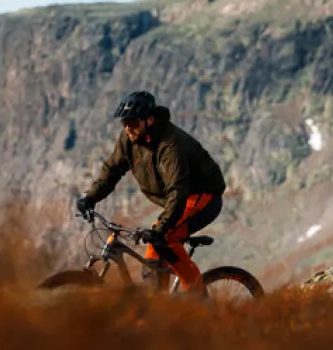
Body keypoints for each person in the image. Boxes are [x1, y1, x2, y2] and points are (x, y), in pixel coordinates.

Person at [75, 91, 226, 294]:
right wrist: (91, 197)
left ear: (149, 120)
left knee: (167, 237)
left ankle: (200, 301)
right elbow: (112, 170)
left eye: (133, 122)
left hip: (202, 196)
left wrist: (161, 228)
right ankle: (158, 306)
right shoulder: (129, 140)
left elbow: (178, 191)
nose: (128, 128)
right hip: (177, 199)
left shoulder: (170, 146)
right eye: (124, 123)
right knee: (153, 256)